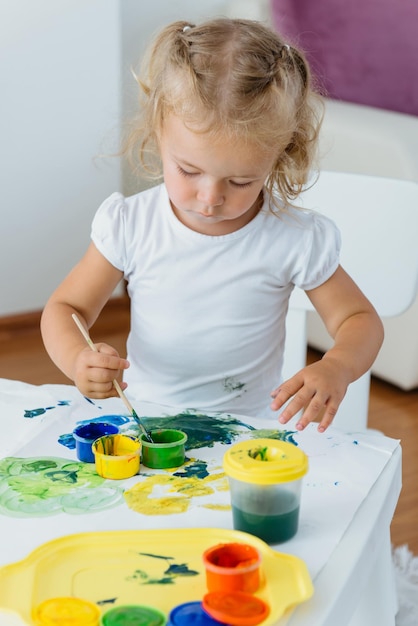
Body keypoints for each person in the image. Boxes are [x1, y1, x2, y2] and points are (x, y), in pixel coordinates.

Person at [41, 18, 384, 432]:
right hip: (143, 422)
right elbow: (65, 309)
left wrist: (338, 366)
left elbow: (359, 320)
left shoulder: (294, 237)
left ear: (280, 155)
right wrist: (78, 359)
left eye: (241, 181)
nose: (210, 197)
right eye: (188, 170)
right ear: (158, 135)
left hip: (247, 431)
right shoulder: (131, 224)